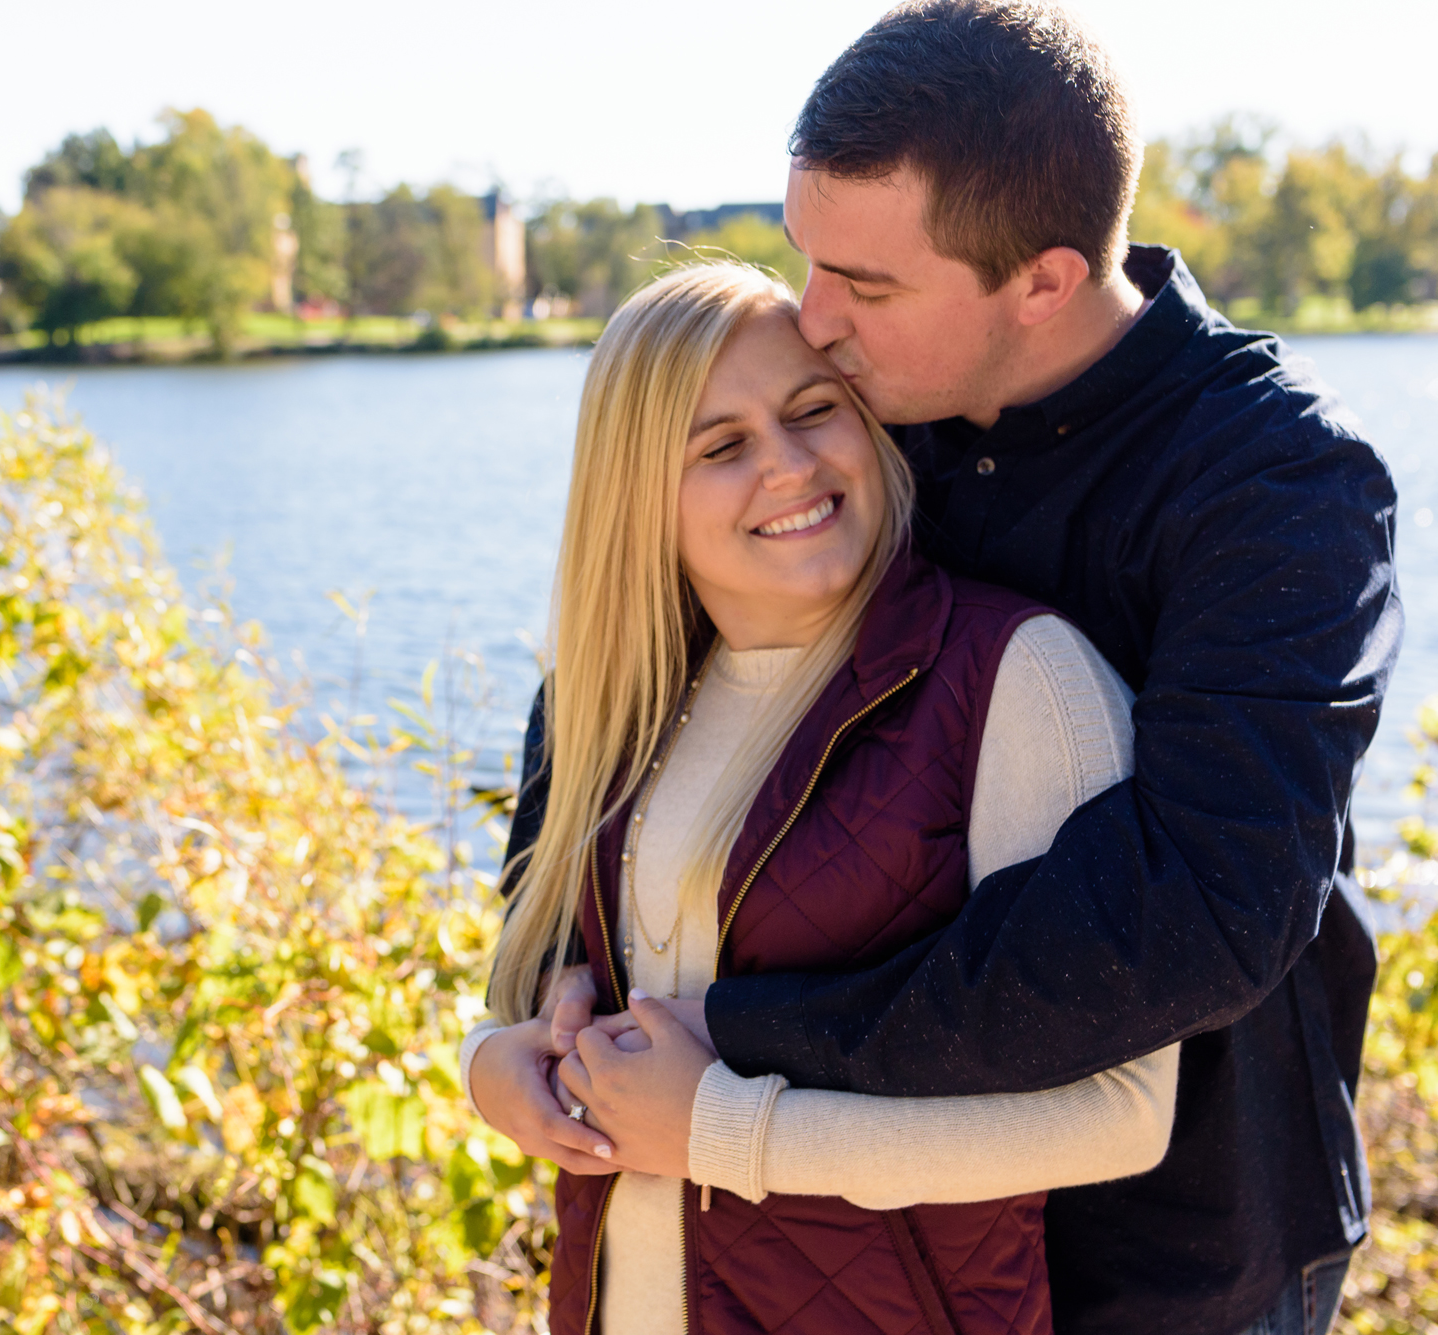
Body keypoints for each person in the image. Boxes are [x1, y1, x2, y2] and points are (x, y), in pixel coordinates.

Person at [470, 4, 1401, 1334]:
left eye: (869, 282)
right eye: (810, 258)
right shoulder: (864, 411)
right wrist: (541, 992)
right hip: (859, 1241)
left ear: (1042, 281)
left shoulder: (1272, 482)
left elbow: (1195, 915)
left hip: (1174, 1252)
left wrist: (735, 1038)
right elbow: (633, 663)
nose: (814, 318)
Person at [468, 258, 1180, 1334]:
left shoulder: (1010, 677)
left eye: (813, 411)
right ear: (636, 495)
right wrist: (492, 1063)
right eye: (720, 446)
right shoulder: (602, 707)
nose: (789, 466)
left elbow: (1120, 1117)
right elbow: (531, 993)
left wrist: (721, 1132)